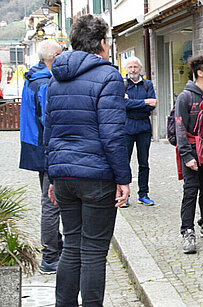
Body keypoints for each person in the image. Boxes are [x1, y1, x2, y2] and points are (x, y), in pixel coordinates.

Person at [44, 15, 131, 306]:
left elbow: (50, 132)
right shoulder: (108, 76)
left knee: (71, 247)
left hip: (64, 176)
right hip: (96, 176)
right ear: (103, 43)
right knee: (94, 251)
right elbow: (113, 134)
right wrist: (123, 178)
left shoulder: (55, 79)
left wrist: (52, 178)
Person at [19, 39, 63, 274]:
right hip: (45, 146)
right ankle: (50, 256)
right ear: (54, 57)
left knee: (49, 200)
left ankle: (56, 246)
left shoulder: (32, 78)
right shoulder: (45, 83)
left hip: (34, 145)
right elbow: (50, 120)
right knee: (51, 202)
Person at [175, 55, 203, 254]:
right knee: (190, 191)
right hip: (192, 151)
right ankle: (187, 230)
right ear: (199, 72)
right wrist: (187, 155)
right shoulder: (185, 97)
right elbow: (180, 128)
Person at [121, 56, 157, 207]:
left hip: (143, 127)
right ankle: (124, 195)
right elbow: (122, 104)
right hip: (127, 127)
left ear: (140, 69)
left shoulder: (147, 84)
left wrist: (133, 103)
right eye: (129, 67)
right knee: (124, 162)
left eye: (135, 67)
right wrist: (144, 102)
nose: (132, 70)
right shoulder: (122, 84)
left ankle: (143, 194)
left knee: (144, 162)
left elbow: (153, 104)